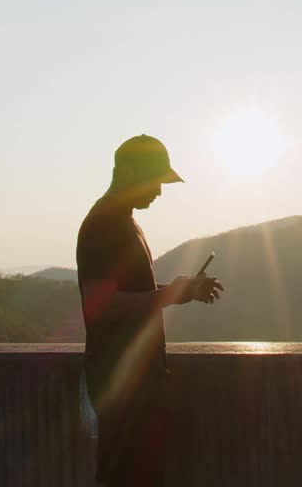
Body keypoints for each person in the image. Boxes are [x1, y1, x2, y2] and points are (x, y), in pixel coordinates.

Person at [76, 134, 223, 487]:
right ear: (130, 173)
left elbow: (125, 296)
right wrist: (172, 294)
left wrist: (180, 291)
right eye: (156, 181)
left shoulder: (121, 220)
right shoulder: (104, 225)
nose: (159, 191)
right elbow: (101, 305)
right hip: (122, 388)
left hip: (131, 386)